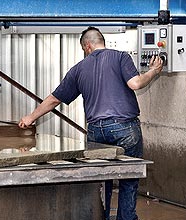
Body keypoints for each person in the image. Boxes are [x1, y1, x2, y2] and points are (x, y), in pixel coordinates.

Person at [18, 26, 163, 220]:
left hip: (96, 132)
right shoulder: (120, 57)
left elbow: (54, 99)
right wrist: (153, 71)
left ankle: (100, 215)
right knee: (128, 177)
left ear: (87, 46)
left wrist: (30, 117)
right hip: (125, 128)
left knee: (101, 180)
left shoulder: (78, 69)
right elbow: (135, 83)